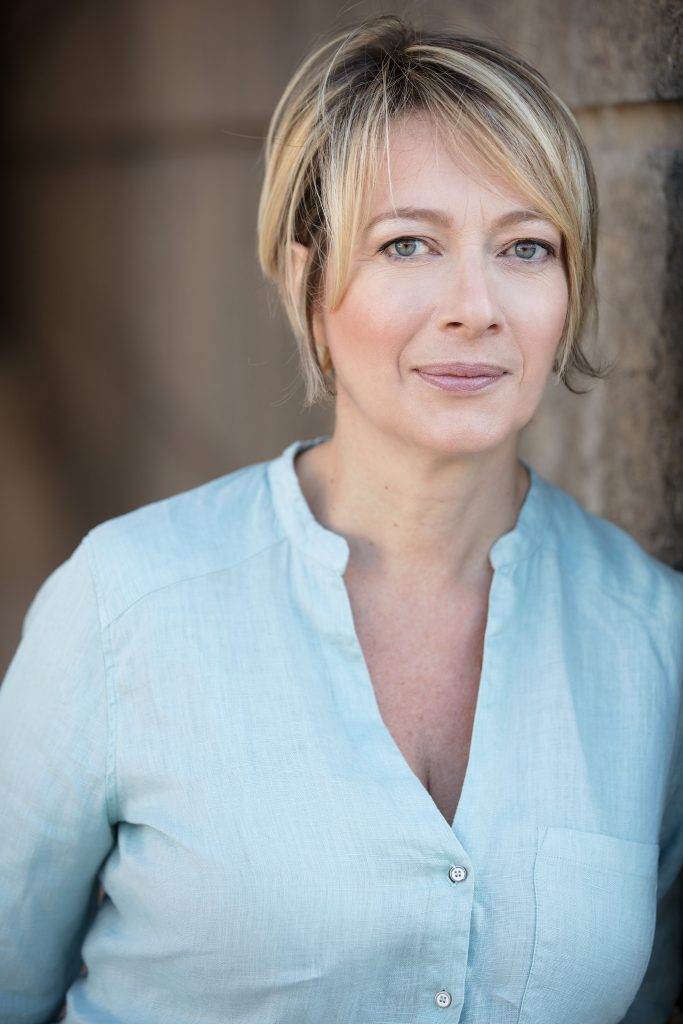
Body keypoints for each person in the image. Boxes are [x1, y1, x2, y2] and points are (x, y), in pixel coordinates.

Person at [0, 14, 681, 1024]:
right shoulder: (124, 606)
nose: (475, 305)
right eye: (407, 243)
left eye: (524, 247)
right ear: (307, 282)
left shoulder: (652, 639)